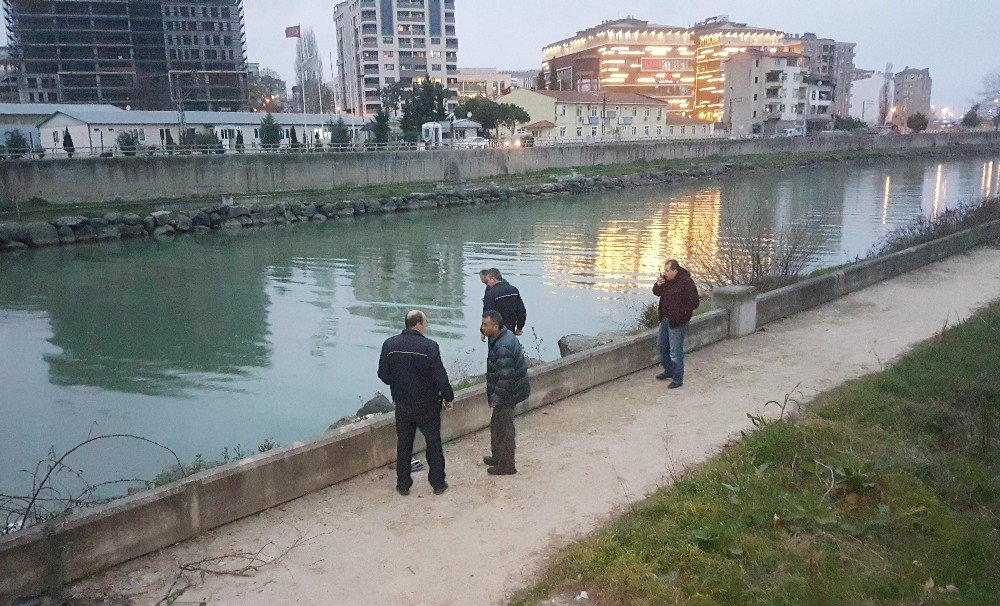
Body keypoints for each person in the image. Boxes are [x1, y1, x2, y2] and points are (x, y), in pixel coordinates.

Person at [378, 310, 454, 496]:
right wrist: (448, 396)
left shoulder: (389, 345)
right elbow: (440, 377)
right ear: (419, 324)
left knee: (404, 445)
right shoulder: (430, 346)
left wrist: (398, 383)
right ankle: (437, 484)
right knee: (433, 444)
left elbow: (383, 375)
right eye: (425, 323)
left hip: (402, 404)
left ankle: (403, 485)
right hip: (428, 405)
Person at [480, 310, 530, 475]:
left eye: (485, 325)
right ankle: (498, 457)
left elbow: (505, 377)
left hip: (509, 393)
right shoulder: (500, 337)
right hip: (509, 391)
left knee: (505, 429)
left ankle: (507, 465)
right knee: (496, 425)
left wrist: (495, 397)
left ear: (495, 326)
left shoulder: (504, 346)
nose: (482, 328)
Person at [652, 259, 700, 389]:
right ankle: (668, 371)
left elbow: (695, 303)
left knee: (675, 351)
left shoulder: (686, 283)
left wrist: (681, 314)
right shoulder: (665, 280)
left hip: (678, 322)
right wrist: (658, 285)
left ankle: (678, 378)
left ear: (675, 271)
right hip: (665, 319)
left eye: (667, 271)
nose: (665, 273)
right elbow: (656, 292)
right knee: (662, 346)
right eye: (664, 270)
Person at [480, 268, 527, 336]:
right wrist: (520, 327)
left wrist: (483, 330)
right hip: (511, 327)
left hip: (495, 329)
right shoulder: (514, 290)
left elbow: (487, 314)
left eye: (488, 281)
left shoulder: (490, 294)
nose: (488, 283)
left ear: (493, 279)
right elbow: (521, 310)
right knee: (510, 344)